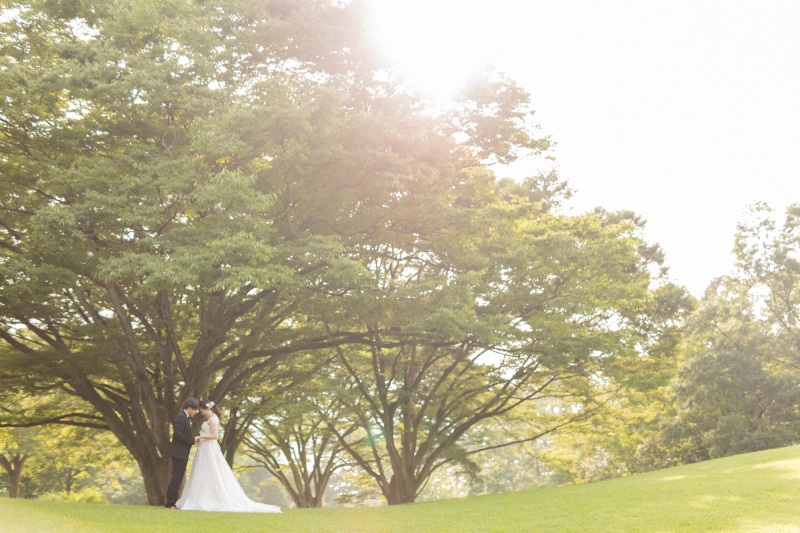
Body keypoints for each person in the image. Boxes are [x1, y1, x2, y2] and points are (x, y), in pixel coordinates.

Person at [176, 400, 281, 513]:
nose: (200, 413)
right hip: (204, 449)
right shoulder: (210, 419)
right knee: (202, 472)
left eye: (201, 410)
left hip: (209, 449)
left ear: (207, 409)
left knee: (211, 471)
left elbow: (215, 436)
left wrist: (200, 437)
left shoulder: (213, 419)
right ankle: (201, 497)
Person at [165, 397, 200, 509]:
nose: (196, 412)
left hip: (182, 453)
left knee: (178, 478)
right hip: (179, 453)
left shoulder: (185, 417)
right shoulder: (181, 417)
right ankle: (170, 503)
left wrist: (192, 439)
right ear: (190, 408)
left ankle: (172, 503)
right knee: (176, 479)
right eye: (195, 409)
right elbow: (178, 434)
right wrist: (191, 440)